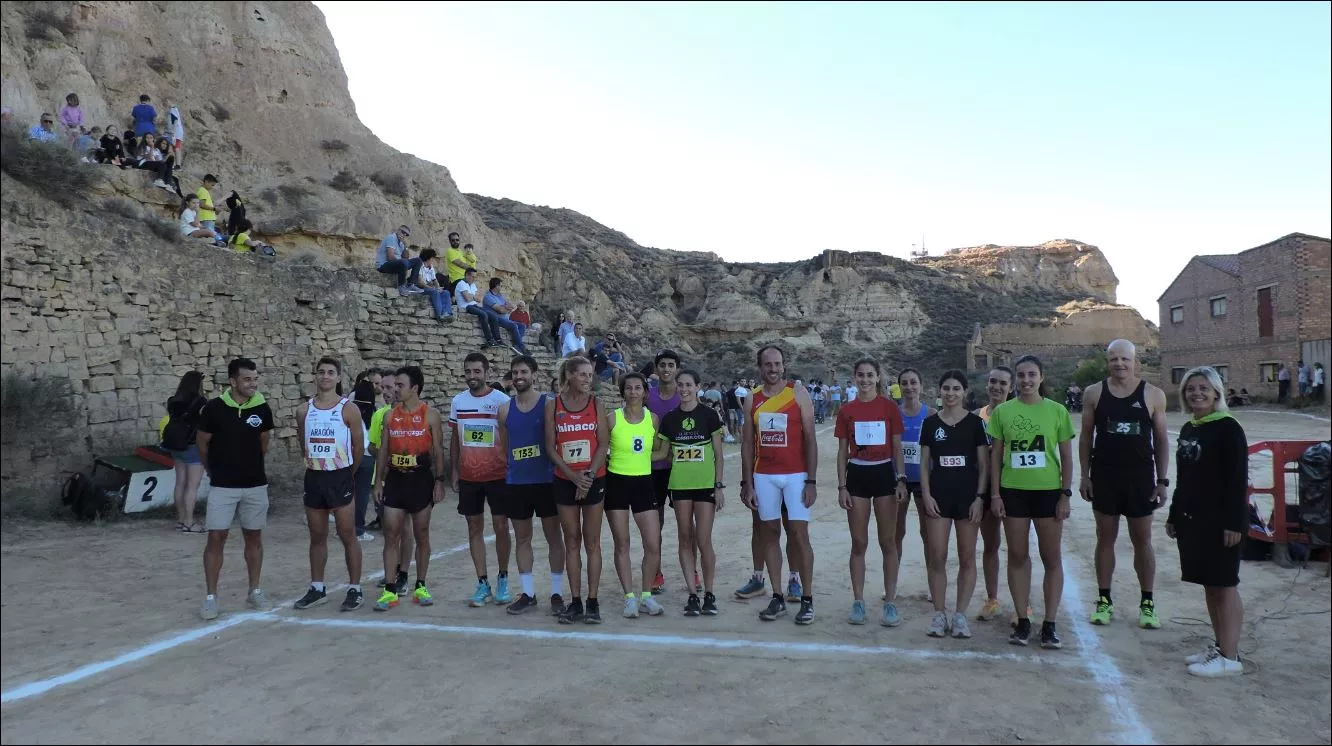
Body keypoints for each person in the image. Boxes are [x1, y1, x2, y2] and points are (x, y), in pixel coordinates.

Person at [1079, 339, 1171, 630]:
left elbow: (1161, 440)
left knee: (1141, 540)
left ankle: (1147, 603)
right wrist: (1084, 475)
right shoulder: (1094, 393)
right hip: (1105, 477)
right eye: (1114, 359)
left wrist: (1162, 480)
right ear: (1107, 362)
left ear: (1135, 361)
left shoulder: (1153, 394)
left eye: (1125, 359)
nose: (1119, 364)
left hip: (1140, 478)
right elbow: (1085, 437)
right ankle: (1104, 600)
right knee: (1104, 538)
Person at [987, 354, 1075, 649]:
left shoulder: (1057, 411)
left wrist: (1065, 494)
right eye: (1021, 375)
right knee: (1017, 556)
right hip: (1013, 493)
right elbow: (996, 457)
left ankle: (1049, 624)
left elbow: (1066, 457)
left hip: (1048, 493)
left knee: (1051, 558)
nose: (1026, 380)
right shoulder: (1003, 413)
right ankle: (1023, 620)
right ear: (1015, 380)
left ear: (1041, 377)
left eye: (1031, 375)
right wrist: (996, 494)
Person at [1167, 366, 1247, 677]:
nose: (1196, 393)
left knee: (1224, 586)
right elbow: (1184, 477)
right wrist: (1175, 514)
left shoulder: (1228, 428)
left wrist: (1234, 523)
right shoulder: (1191, 429)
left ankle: (1229, 657)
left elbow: (1237, 481)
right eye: (1190, 388)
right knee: (1211, 585)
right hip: (1193, 519)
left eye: (1203, 388)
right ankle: (1221, 645)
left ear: (1216, 392)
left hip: (1220, 521)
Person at [742, 345, 819, 625]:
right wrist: (747, 482)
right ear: (760, 367)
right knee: (769, 534)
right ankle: (776, 595)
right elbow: (748, 443)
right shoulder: (752, 399)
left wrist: (811, 481)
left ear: (783, 366)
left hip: (796, 475)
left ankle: (807, 599)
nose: (773, 369)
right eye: (767, 365)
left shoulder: (798, 393)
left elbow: (810, 438)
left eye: (777, 364)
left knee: (799, 536)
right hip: (764, 476)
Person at [196, 358, 276, 620]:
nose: (252, 384)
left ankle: (255, 590)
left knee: (254, 538)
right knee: (216, 538)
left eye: (255, 378)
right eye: (246, 379)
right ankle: (211, 597)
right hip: (223, 486)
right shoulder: (213, 409)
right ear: (232, 381)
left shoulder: (262, 408)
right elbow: (202, 444)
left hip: (255, 485)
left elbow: (263, 443)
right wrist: (213, 471)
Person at [835, 358, 907, 626]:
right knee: (859, 542)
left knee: (888, 542)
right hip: (857, 475)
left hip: (883, 474)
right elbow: (843, 451)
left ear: (877, 378)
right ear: (854, 378)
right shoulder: (846, 410)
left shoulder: (889, 408)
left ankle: (890, 602)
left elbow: (897, 446)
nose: (865, 380)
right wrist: (842, 485)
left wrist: (901, 479)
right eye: (860, 375)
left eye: (870, 375)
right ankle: (858, 601)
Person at [919, 370, 990, 638]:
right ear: (940, 391)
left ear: (964, 392)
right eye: (946, 388)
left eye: (956, 388)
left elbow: (983, 465)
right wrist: (926, 495)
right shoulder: (930, 424)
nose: (950, 393)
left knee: (967, 556)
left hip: (968, 497)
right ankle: (939, 614)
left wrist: (979, 499)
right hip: (938, 496)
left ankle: (960, 615)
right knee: (937, 556)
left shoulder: (975, 424)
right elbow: (925, 464)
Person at [371, 366, 447, 611]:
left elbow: (438, 451)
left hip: (420, 480)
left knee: (421, 534)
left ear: (414, 388)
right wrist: (378, 482)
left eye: (400, 385)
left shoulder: (431, 415)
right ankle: (390, 590)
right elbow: (383, 450)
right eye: (394, 386)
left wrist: (439, 481)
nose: (395, 390)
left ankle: (421, 585)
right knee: (391, 535)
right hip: (395, 480)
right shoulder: (389, 416)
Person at [293, 357, 365, 612]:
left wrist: (348, 473)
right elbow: (304, 442)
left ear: (338, 377)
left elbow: (359, 446)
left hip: (340, 476)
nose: (325, 376)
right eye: (321, 372)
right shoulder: (303, 410)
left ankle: (355, 589)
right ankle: (317, 587)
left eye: (330, 372)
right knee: (317, 536)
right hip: (314, 476)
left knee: (347, 534)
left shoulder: (348, 409)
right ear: (315, 375)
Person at [497, 355, 568, 615]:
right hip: (517, 483)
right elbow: (506, 446)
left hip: (547, 481)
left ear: (534, 375)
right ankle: (527, 593)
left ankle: (557, 593)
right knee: (523, 538)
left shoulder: (548, 405)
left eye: (524, 372)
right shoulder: (504, 409)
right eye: (515, 372)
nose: (519, 377)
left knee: (553, 538)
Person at [652, 369, 726, 616]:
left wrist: (719, 486)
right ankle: (693, 594)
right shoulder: (670, 419)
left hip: (705, 485)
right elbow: (662, 453)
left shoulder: (709, 415)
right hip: (680, 486)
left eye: (688, 385)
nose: (683, 389)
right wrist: (626, 456)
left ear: (697, 386)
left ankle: (710, 593)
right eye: (679, 385)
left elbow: (718, 454)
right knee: (685, 538)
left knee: (704, 540)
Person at [545, 356, 610, 623]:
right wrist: (574, 478)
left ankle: (593, 601)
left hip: (593, 478)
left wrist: (588, 477)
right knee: (571, 540)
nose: (587, 380)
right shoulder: (553, 405)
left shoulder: (596, 403)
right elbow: (550, 446)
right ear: (570, 375)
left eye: (590, 375)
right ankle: (575, 601)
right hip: (565, 478)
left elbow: (603, 444)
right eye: (582, 375)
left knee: (592, 542)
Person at [449, 353, 515, 607]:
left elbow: (510, 435)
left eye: (477, 371)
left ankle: (503, 579)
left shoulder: (501, 401)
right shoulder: (458, 401)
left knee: (500, 528)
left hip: (498, 475)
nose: (472, 376)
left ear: (487, 373)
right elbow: (455, 437)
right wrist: (454, 470)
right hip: (469, 476)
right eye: (468, 371)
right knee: (474, 528)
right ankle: (482, 582)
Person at [604, 372, 666, 618]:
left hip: (643, 483)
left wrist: (641, 459)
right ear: (622, 392)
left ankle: (646, 596)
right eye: (628, 388)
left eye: (638, 388)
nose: (633, 392)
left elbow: (660, 452)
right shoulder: (612, 419)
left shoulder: (653, 419)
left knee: (652, 543)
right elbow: (601, 449)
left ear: (645, 392)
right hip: (616, 483)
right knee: (622, 543)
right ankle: (629, 597)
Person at [973, 366, 1014, 622]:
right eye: (992, 382)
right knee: (991, 545)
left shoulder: (1017, 413)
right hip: (986, 488)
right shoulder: (977, 417)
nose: (996, 387)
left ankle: (1024, 604)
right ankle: (992, 600)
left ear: (1011, 387)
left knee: (1018, 550)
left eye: (1002, 383)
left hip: (1013, 485)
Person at [645, 349, 687, 594]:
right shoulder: (646, 396)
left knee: (685, 524)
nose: (666, 369)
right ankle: (656, 572)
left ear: (677, 368)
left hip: (681, 469)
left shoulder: (685, 395)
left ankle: (691, 572)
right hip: (653, 469)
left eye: (671, 364)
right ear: (656, 368)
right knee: (655, 524)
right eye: (662, 365)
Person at [368, 372, 415, 589]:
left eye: (390, 387)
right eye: (383, 388)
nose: (386, 392)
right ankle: (392, 571)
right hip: (385, 480)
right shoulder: (381, 415)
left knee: (405, 528)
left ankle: (402, 574)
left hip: (407, 479)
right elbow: (371, 445)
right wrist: (386, 454)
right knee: (390, 531)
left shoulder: (414, 414)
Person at [895, 368, 934, 597]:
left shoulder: (930, 414)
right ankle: (892, 582)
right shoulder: (894, 413)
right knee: (895, 533)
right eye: (905, 383)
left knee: (927, 533)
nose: (909, 387)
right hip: (899, 480)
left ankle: (932, 584)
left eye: (913, 382)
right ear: (899, 386)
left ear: (921, 385)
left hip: (923, 481)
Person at [162, 371, 208, 533]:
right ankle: (189, 522)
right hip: (192, 445)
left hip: (175, 445)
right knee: (192, 486)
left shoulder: (173, 401)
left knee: (180, 483)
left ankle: (181, 520)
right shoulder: (200, 402)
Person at [349, 379, 378, 542]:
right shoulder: (374, 412)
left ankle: (344, 528)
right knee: (361, 495)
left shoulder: (350, 410)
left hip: (351, 455)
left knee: (348, 494)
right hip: (366, 457)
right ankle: (358, 529)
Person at [456, 268, 507, 349]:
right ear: (467, 275)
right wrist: (473, 297)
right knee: (483, 314)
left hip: (474, 305)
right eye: (473, 276)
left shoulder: (473, 285)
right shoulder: (461, 284)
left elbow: (479, 298)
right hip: (465, 306)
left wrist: (471, 296)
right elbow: (467, 299)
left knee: (493, 316)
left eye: (475, 277)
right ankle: (489, 340)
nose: (474, 279)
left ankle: (498, 340)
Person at [481, 278, 527, 353]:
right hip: (496, 319)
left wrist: (503, 308)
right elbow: (500, 310)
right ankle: (520, 346)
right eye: (500, 285)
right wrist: (504, 308)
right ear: (496, 286)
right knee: (514, 325)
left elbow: (512, 306)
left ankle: (516, 345)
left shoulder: (500, 296)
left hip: (505, 319)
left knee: (522, 325)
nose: (501, 287)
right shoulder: (488, 297)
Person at [376, 225, 423, 296]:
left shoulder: (401, 243)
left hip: (397, 265)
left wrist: (405, 246)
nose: (404, 235)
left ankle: (410, 284)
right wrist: (403, 262)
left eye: (406, 234)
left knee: (418, 260)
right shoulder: (391, 238)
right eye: (403, 232)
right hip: (384, 265)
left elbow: (406, 258)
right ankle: (401, 286)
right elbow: (390, 257)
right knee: (403, 262)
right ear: (398, 230)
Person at [415, 249, 454, 321]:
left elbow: (435, 280)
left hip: (429, 288)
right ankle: (440, 315)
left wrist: (438, 287)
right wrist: (433, 288)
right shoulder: (420, 266)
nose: (433, 261)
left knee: (446, 292)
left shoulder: (431, 267)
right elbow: (420, 283)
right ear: (429, 258)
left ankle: (447, 313)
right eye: (433, 258)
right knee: (435, 292)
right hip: (420, 289)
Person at [195, 174, 222, 239]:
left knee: (209, 236)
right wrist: (214, 209)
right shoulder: (203, 191)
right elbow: (202, 204)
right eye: (212, 185)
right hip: (206, 219)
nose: (212, 187)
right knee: (209, 237)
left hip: (207, 218)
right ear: (206, 182)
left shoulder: (204, 191)